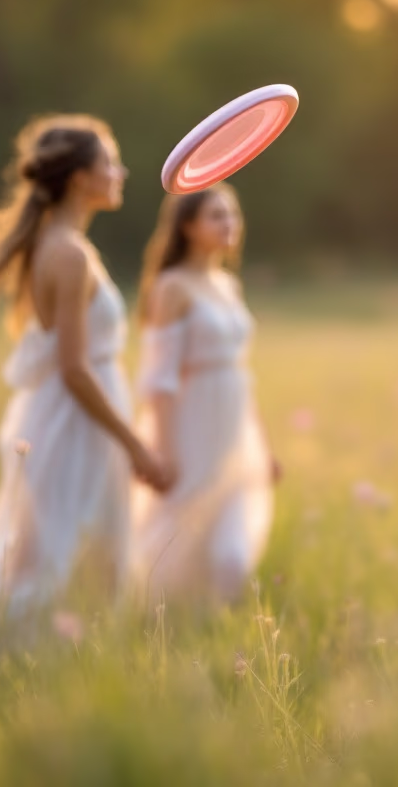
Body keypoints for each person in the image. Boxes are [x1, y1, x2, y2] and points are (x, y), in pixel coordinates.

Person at [0, 114, 170, 628]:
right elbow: (73, 369)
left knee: (55, 551)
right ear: (78, 179)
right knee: (52, 556)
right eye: (109, 162)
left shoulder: (60, 246)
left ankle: (59, 653)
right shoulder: (68, 254)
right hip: (74, 423)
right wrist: (135, 444)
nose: (122, 172)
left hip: (66, 416)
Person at [129, 182, 278, 606]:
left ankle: (214, 632)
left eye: (232, 214)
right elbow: (158, 379)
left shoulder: (228, 284)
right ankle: (153, 622)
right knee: (174, 538)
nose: (229, 223)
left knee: (231, 554)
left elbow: (239, 373)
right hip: (189, 428)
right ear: (188, 226)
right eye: (216, 215)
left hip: (234, 427)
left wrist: (262, 447)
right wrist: (165, 450)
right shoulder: (172, 288)